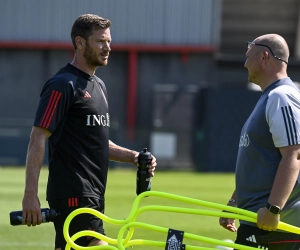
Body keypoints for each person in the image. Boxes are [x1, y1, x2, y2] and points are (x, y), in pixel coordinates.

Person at [21, 14, 157, 250]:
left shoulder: (99, 86)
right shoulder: (62, 84)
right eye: (100, 41)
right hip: (74, 194)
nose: (108, 48)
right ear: (80, 42)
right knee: (98, 244)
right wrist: (30, 195)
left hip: (94, 195)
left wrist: (133, 157)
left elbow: (96, 141)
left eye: (109, 42)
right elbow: (38, 137)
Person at [219, 34, 300, 249]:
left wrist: (274, 209)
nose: (245, 64)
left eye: (248, 57)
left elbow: (294, 155)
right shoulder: (269, 97)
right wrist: (235, 203)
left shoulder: (281, 97)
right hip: (258, 222)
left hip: (273, 226)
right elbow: (259, 159)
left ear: (264, 57)